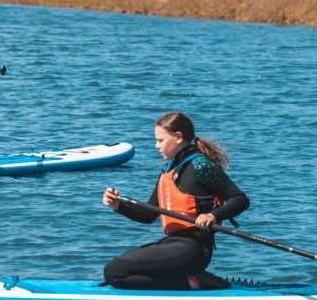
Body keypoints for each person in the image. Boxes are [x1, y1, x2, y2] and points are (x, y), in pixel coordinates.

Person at [101, 111, 249, 290]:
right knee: (116, 272)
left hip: (194, 249)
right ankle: (187, 279)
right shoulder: (168, 170)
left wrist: (213, 215)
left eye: (160, 140)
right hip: (173, 244)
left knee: (114, 272)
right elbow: (148, 215)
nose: (156, 146)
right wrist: (118, 205)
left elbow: (240, 199)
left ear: (178, 137)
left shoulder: (200, 166)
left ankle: (196, 283)